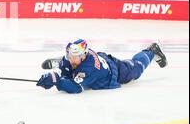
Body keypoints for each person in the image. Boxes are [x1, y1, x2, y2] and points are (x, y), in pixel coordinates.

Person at [36, 39, 168, 94]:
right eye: (69, 56)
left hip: (114, 70)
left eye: (74, 57)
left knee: (136, 69)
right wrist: (53, 76)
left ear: (83, 55)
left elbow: (75, 88)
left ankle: (151, 51)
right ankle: (65, 67)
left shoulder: (91, 68)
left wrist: (57, 81)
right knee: (67, 68)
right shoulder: (74, 56)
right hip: (98, 62)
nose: (71, 59)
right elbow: (62, 72)